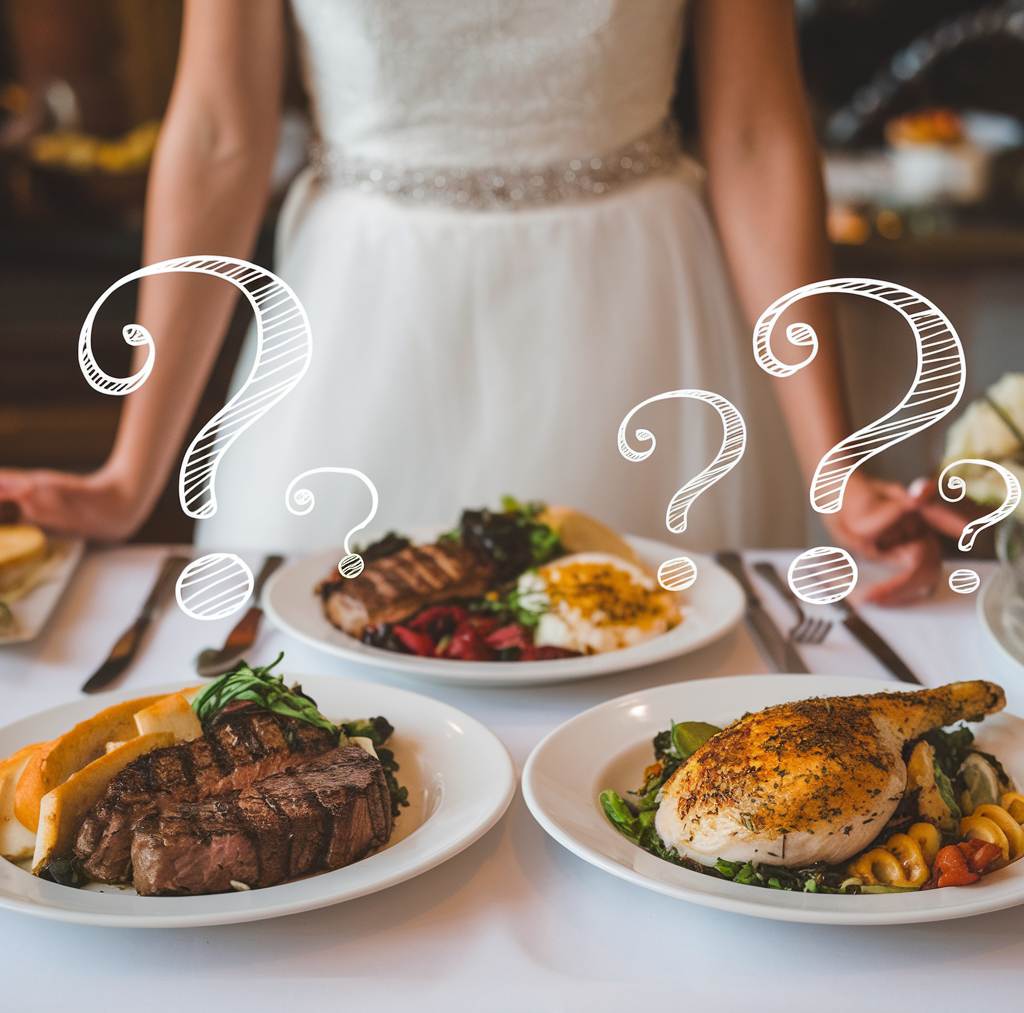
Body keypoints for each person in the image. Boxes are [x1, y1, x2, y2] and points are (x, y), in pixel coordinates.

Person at [0, 0, 954, 604]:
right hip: (359, 326)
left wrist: (838, 465)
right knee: (315, 713)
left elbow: (754, 139)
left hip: (635, 321)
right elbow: (215, 138)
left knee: (649, 704)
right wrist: (133, 472)